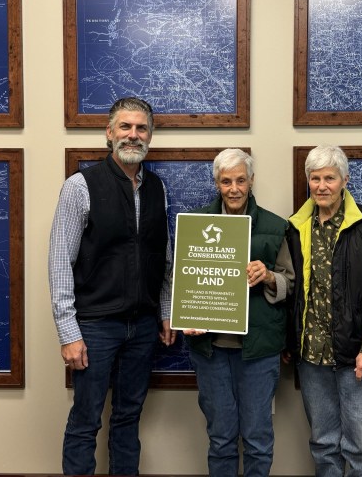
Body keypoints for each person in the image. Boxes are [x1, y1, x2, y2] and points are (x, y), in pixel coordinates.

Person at [48, 97, 176, 476]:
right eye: (125, 127)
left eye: (141, 128)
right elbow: (59, 261)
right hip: (95, 326)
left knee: (128, 418)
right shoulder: (79, 187)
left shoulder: (158, 189)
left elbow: (163, 259)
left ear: (150, 136)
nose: (133, 135)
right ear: (109, 133)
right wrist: (68, 332)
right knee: (86, 419)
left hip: (142, 327)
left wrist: (166, 310)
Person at [286, 145, 362, 477]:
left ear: (344, 180)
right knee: (323, 444)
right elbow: (295, 291)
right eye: (315, 178)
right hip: (312, 359)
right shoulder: (296, 227)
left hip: (359, 358)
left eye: (330, 178)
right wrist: (290, 341)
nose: (322, 186)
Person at [183, 148, 295, 477]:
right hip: (211, 350)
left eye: (241, 180)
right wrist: (186, 317)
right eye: (226, 181)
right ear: (217, 183)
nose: (234, 188)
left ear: (252, 182)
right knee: (220, 438)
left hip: (258, 352)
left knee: (258, 438)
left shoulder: (276, 227)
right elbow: (183, 280)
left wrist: (269, 276)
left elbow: (290, 283)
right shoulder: (196, 224)